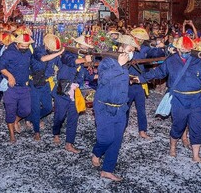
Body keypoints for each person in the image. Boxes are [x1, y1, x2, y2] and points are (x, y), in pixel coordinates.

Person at [137, 35, 201, 163]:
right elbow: (158, 72)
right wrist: (141, 78)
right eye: (183, 51)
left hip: (196, 99)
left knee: (197, 127)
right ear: (177, 49)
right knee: (178, 125)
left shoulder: (198, 59)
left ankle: (196, 156)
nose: (186, 53)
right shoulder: (171, 61)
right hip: (179, 99)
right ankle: (172, 147)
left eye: (188, 51)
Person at [91, 36, 134, 181]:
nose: (131, 53)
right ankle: (97, 152)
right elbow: (102, 79)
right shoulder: (107, 62)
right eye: (129, 50)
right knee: (106, 139)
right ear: (121, 48)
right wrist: (118, 65)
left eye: (133, 51)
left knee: (116, 141)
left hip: (121, 108)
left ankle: (107, 170)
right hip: (104, 107)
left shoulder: (126, 64)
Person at [52, 35, 92, 153]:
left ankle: (69, 143)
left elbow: (87, 76)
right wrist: (85, 60)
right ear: (79, 45)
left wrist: (101, 75)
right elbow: (72, 61)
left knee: (73, 119)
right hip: (62, 91)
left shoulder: (86, 58)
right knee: (59, 116)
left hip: (75, 92)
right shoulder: (67, 53)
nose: (88, 48)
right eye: (86, 46)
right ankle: (56, 132)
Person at [0, 33, 34, 143]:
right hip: (11, 87)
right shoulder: (8, 53)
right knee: (10, 110)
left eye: (27, 46)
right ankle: (12, 134)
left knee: (26, 110)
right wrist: (9, 75)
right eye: (23, 46)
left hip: (24, 86)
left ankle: (15, 121)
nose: (25, 48)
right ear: (17, 44)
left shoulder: (28, 52)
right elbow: (0, 66)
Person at [28, 33, 63, 141]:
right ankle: (37, 132)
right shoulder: (38, 50)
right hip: (34, 82)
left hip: (46, 83)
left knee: (48, 108)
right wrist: (59, 53)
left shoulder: (55, 54)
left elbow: (60, 65)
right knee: (36, 107)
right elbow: (43, 59)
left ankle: (31, 119)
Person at [127, 28, 151, 138]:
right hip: (128, 83)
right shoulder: (126, 47)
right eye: (138, 39)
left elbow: (152, 53)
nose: (139, 40)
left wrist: (138, 48)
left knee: (141, 108)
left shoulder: (144, 48)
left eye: (141, 39)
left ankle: (142, 130)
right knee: (125, 108)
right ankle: (122, 128)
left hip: (139, 83)